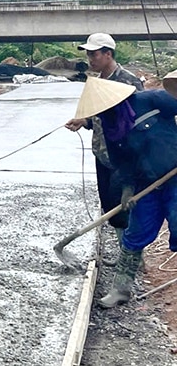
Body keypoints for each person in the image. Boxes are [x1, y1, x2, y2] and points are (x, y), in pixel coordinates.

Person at [73, 77, 177, 308]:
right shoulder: (111, 127)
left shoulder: (151, 99)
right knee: (135, 234)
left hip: (174, 179)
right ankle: (120, 290)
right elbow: (123, 162)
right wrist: (127, 189)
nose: (102, 114)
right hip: (146, 185)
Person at [65, 33, 143, 263]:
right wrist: (84, 121)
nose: (90, 58)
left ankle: (131, 259)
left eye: (94, 53)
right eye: (88, 54)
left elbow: (136, 122)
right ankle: (123, 254)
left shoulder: (129, 83)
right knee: (109, 203)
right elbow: (102, 119)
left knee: (125, 208)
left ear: (108, 54)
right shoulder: (97, 83)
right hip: (103, 155)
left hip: (124, 158)